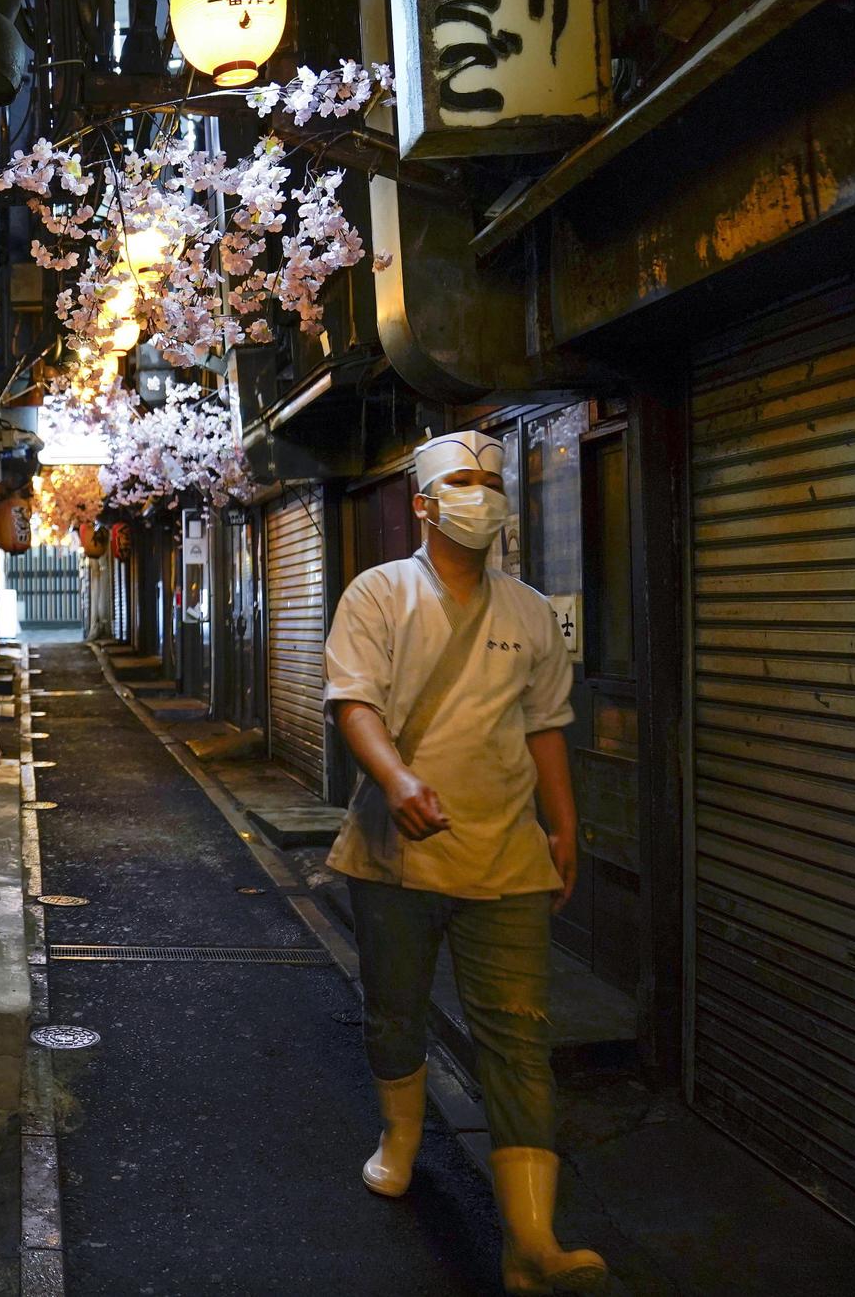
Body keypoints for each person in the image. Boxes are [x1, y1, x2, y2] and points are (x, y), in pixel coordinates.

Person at [323, 431, 606, 1295]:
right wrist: (398, 777)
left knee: (520, 1039)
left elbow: (547, 726)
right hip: (395, 854)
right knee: (395, 1013)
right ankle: (399, 1142)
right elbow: (353, 702)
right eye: (462, 481)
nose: (480, 493)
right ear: (424, 503)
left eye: (490, 480)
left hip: (507, 854)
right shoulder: (379, 593)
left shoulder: (527, 610)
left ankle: (530, 1239)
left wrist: (564, 827)